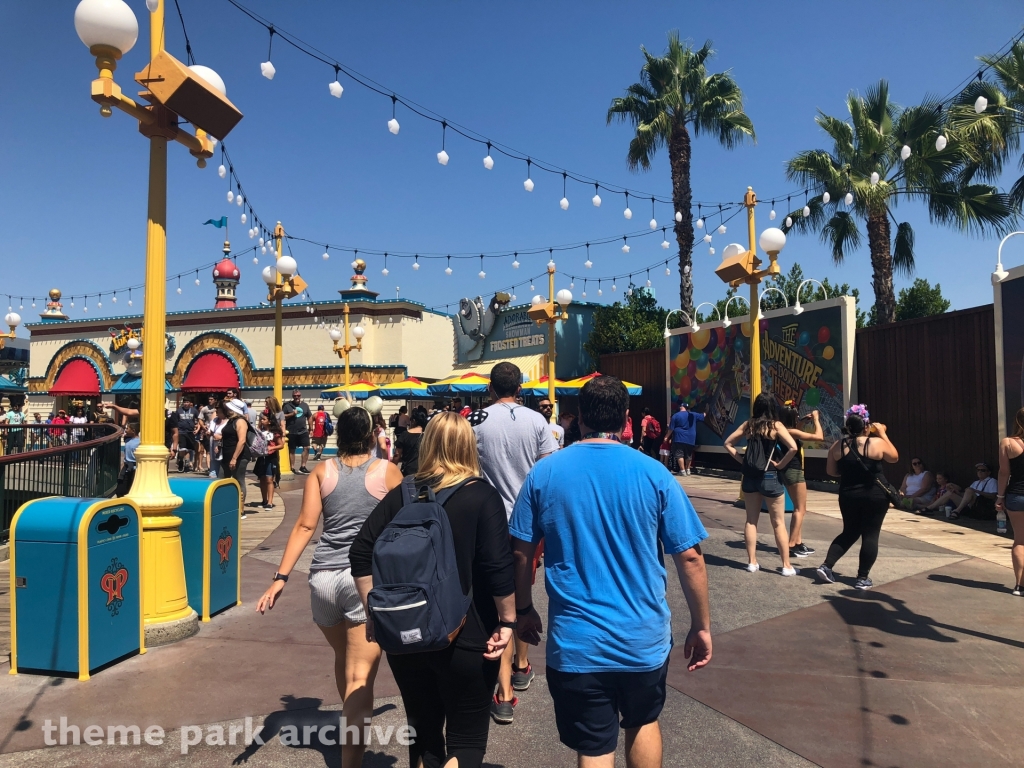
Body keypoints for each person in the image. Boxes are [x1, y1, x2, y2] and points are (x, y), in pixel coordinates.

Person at [511, 375, 712, 767]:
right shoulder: (654, 473)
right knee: (643, 721)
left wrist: (522, 609)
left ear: (579, 417)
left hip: (577, 644)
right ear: (625, 419)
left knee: (595, 746)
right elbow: (690, 557)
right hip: (642, 639)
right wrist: (700, 625)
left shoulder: (544, 473)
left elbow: (520, 553)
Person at [351, 412, 516, 768]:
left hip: (405, 630)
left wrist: (373, 613)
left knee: (424, 734)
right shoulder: (483, 497)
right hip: (467, 633)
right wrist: (508, 621)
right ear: (469, 447)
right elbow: (498, 567)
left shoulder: (404, 494)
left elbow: (360, 552)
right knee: (466, 740)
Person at [257, 406, 403, 768]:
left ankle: (349, 718)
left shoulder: (322, 471)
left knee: (343, 657)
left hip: (323, 579)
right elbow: (405, 527)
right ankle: (350, 759)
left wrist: (280, 579)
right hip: (363, 580)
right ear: (372, 434)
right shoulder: (388, 472)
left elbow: (306, 527)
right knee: (360, 678)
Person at [471, 361, 557, 725]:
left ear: (491, 389)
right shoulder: (538, 421)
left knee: (494, 598)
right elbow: (548, 468)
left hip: (487, 520)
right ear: (519, 388)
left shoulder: (474, 420)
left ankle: (502, 689)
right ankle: (521, 664)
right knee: (522, 590)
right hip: (528, 523)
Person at [817, 404, 900, 590]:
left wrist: (850, 470)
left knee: (850, 531)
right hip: (875, 496)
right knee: (871, 535)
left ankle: (826, 565)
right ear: (866, 426)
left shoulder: (837, 446)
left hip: (848, 495)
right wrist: (882, 434)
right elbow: (894, 457)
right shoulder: (877, 443)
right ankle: (862, 578)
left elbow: (832, 471)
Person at [724, 393, 800, 575]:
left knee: (751, 521)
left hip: (750, 476)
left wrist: (742, 461)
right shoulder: (775, 426)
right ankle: (786, 565)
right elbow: (793, 447)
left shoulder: (748, 425)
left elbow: (727, 443)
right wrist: (780, 464)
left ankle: (752, 562)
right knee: (778, 522)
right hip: (770, 476)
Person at [777, 404, 823, 559]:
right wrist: (816, 420)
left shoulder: (783, 430)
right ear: (791, 418)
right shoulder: (791, 432)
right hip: (794, 471)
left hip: (787, 471)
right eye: (796, 417)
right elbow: (819, 437)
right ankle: (791, 545)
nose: (798, 419)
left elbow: (796, 430)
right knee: (800, 509)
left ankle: (798, 542)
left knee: (799, 508)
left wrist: (803, 421)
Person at [996, 408, 1024, 594]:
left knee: (1020, 541)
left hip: (1016, 494)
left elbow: (1004, 472)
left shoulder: (1007, 443)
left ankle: (1019, 585)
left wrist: (999, 497)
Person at [219, 399, 251, 511]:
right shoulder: (230, 421)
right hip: (226, 455)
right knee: (221, 479)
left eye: (228, 407)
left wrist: (234, 458)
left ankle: (241, 509)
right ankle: (225, 506)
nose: (226, 409)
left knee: (239, 479)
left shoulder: (240, 421)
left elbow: (241, 440)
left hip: (239, 456)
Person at [255, 413, 285, 511]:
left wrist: (272, 447)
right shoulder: (260, 431)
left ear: (269, 421)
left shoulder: (275, 432)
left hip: (271, 457)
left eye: (263, 419)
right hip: (261, 457)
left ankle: (270, 502)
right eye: (261, 419)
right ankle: (264, 500)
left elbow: (281, 445)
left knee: (269, 479)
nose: (261, 421)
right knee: (262, 479)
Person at [668, 401, 704, 476]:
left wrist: (666, 437)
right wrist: (706, 411)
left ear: (681, 407)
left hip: (679, 437)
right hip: (691, 438)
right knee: (688, 454)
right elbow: (703, 415)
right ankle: (688, 470)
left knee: (679, 454)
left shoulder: (676, 415)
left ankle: (682, 471)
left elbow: (671, 428)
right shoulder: (693, 414)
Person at [283, 389, 313, 474]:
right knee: (292, 450)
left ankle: (303, 466)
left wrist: (311, 429)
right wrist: (292, 414)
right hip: (291, 431)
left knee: (306, 447)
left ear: (300, 396)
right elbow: (282, 416)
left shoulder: (305, 405)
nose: (297, 397)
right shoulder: (287, 405)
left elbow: (309, 417)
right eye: (295, 396)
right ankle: (292, 467)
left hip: (303, 431)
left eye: (298, 395)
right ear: (292, 396)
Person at [393, 407, 427, 476]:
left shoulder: (405, 435)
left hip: (408, 471)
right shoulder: (428, 435)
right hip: (424, 470)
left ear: (414, 421)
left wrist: (392, 466)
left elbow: (397, 455)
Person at [174, 395, 200, 473]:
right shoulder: (179, 410)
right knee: (182, 448)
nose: (186, 404)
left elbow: (199, 420)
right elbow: (175, 421)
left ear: (190, 403)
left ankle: (186, 465)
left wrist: (197, 429)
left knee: (189, 449)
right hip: (181, 432)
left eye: (187, 402)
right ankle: (181, 461)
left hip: (190, 432)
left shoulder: (194, 410)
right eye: (184, 402)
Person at [116, 423, 140, 497]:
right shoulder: (128, 439)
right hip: (126, 466)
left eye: (127, 428)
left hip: (134, 467)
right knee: (120, 490)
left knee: (131, 488)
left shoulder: (139, 442)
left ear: (133, 430)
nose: (125, 430)